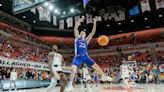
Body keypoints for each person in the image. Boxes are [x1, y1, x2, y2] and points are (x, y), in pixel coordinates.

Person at [66, 16, 113, 91]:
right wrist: (80, 20)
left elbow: (93, 32)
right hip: (78, 57)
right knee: (73, 69)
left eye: (83, 32)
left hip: (85, 56)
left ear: (85, 35)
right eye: (81, 32)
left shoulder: (86, 40)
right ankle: (70, 84)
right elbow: (75, 27)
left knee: (96, 66)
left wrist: (94, 23)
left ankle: (103, 76)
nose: (82, 33)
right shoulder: (77, 38)